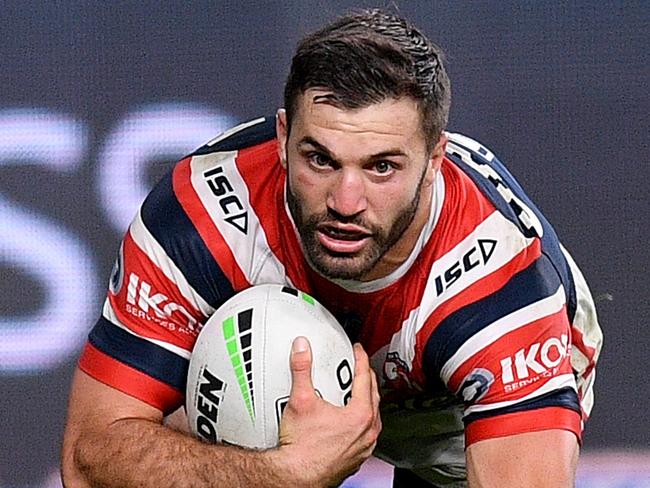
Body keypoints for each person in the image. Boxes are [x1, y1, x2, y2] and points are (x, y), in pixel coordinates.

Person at [61, 9, 602, 488]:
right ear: (281, 137)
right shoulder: (202, 216)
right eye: (320, 159)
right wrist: (281, 475)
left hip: (449, 426)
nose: (345, 202)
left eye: (382, 167)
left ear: (436, 160)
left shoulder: (503, 285)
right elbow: (88, 461)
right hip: (281, 416)